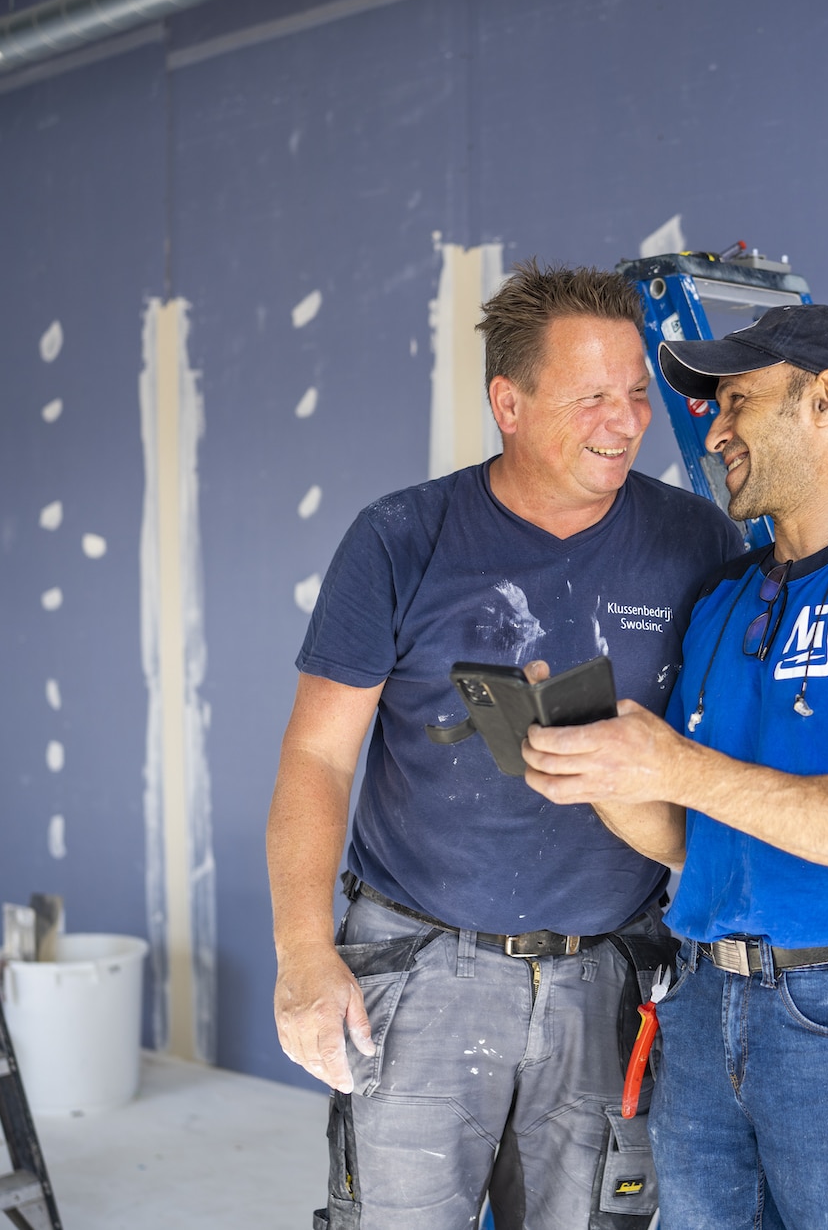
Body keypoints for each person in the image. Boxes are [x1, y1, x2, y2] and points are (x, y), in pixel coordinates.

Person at [521, 302, 828, 1230]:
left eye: (736, 401)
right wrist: (597, 773)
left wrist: (677, 762)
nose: (713, 430)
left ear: (827, 400)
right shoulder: (721, 597)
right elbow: (690, 835)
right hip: (702, 999)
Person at [266, 261, 741, 1230]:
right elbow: (318, 757)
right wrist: (303, 954)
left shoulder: (696, 545)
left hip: (607, 977)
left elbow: (725, 756)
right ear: (508, 402)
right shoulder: (401, 539)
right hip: (420, 969)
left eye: (637, 394)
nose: (624, 421)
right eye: (591, 396)